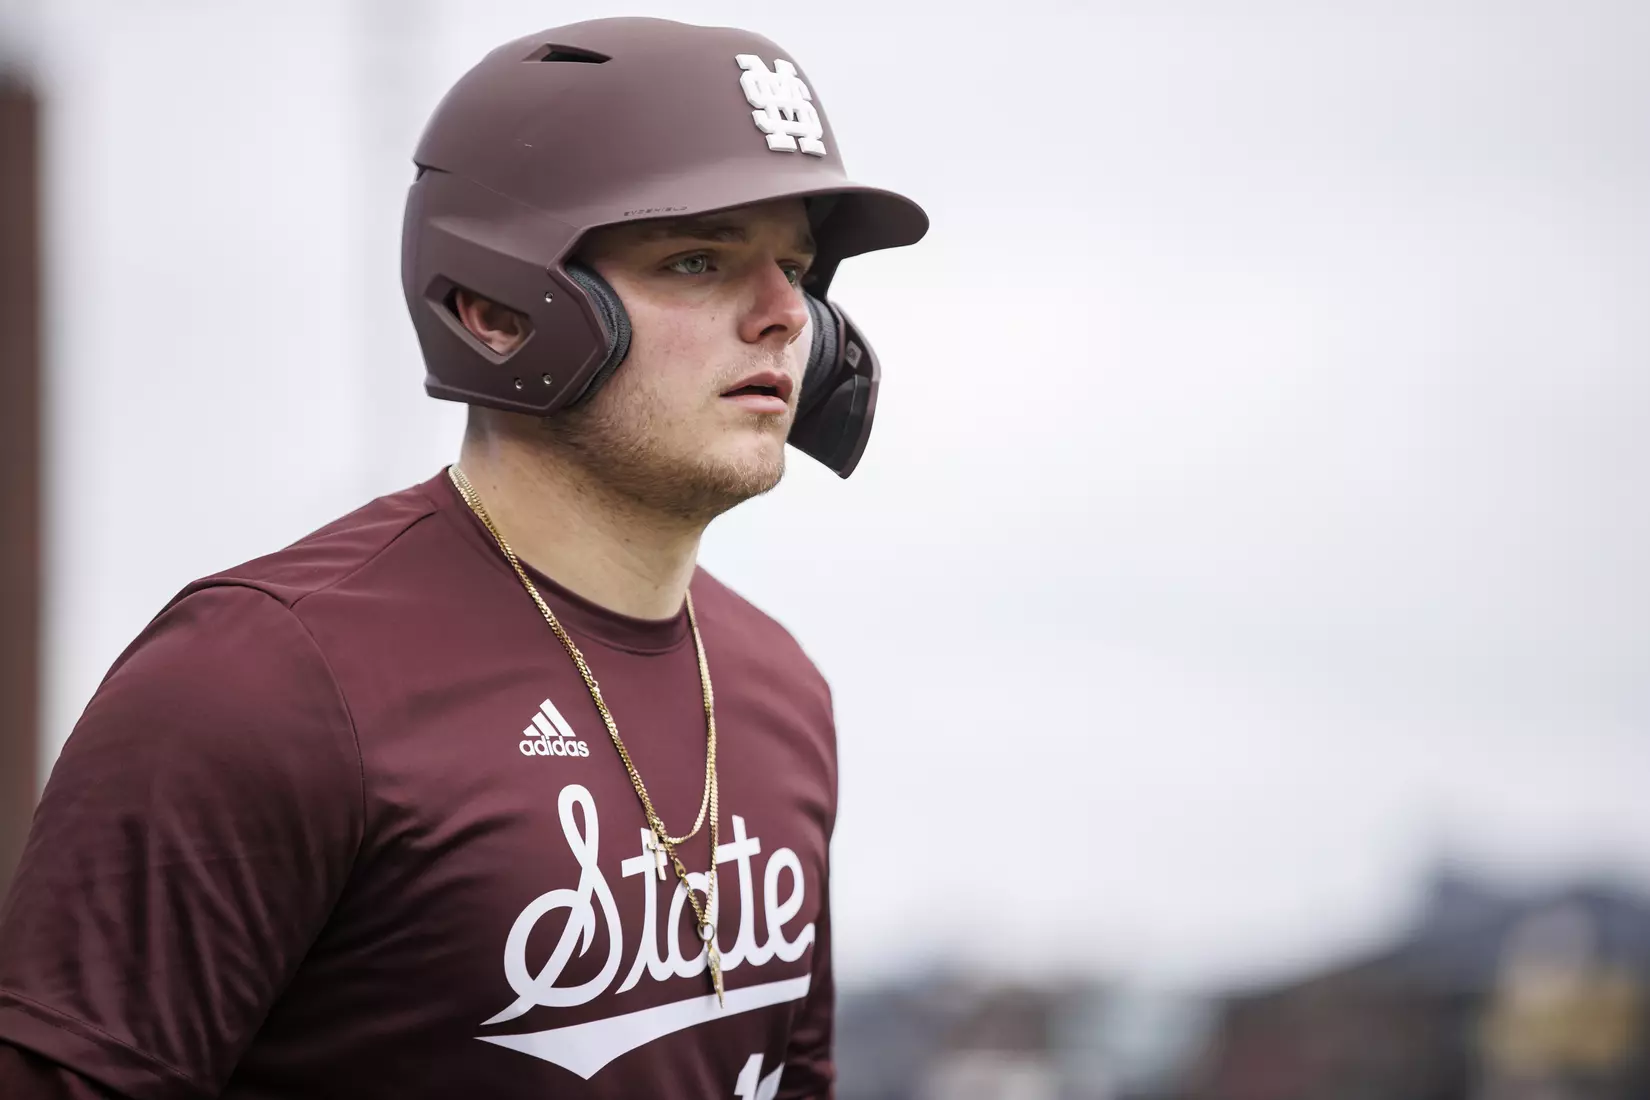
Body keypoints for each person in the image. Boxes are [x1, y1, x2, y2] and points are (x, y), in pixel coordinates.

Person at [0, 16, 926, 1099]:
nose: (786, 318)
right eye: (699, 258)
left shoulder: (782, 691)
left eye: (798, 269)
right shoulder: (262, 682)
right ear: (494, 307)